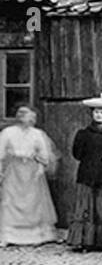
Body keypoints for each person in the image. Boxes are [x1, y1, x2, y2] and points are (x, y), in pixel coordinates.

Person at [0, 104, 59, 247]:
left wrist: (40, 168)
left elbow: (44, 154)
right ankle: (8, 235)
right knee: (10, 200)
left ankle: (36, 235)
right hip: (13, 170)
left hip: (32, 171)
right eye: (26, 116)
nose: (30, 119)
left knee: (33, 202)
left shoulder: (37, 134)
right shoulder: (8, 132)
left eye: (32, 117)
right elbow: (0, 152)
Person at [66, 94, 102, 251]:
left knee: (101, 209)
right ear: (92, 114)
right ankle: (83, 242)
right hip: (86, 176)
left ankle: (101, 243)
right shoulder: (83, 134)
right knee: (84, 208)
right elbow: (76, 154)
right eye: (96, 112)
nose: (99, 115)